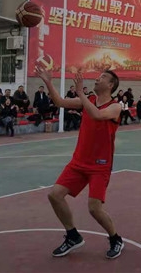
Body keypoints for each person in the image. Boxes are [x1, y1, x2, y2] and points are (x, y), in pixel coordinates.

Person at [35, 65, 125, 260]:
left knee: (94, 208)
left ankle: (115, 238)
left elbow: (98, 115)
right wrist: (48, 82)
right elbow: (59, 102)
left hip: (100, 165)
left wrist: (80, 94)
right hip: (79, 162)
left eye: (102, 77)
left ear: (111, 85)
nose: (97, 79)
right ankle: (73, 236)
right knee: (55, 195)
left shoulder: (115, 106)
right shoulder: (88, 101)